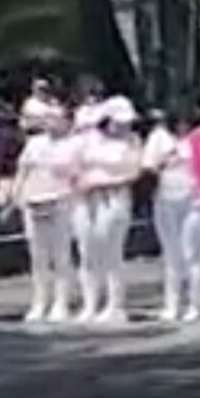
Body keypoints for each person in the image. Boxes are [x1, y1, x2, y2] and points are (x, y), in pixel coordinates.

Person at [3, 98, 76, 322]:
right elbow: (22, 172)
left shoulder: (73, 145)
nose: (51, 123)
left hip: (61, 202)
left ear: (66, 121)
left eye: (56, 118)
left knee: (61, 255)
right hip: (34, 202)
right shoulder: (34, 144)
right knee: (38, 257)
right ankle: (39, 301)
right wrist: (13, 199)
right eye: (48, 119)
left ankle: (61, 302)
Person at [72, 96, 140, 323]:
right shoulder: (87, 140)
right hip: (85, 200)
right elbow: (73, 165)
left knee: (111, 252)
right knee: (87, 251)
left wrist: (103, 183)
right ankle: (90, 303)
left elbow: (133, 173)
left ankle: (115, 304)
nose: (122, 126)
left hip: (114, 198)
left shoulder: (131, 141)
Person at [143, 111, 200, 323]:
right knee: (172, 254)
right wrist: (165, 158)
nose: (182, 126)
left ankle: (195, 303)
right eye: (178, 122)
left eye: (187, 122)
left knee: (192, 252)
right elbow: (148, 167)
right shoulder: (159, 138)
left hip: (196, 200)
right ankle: (171, 304)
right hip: (166, 199)